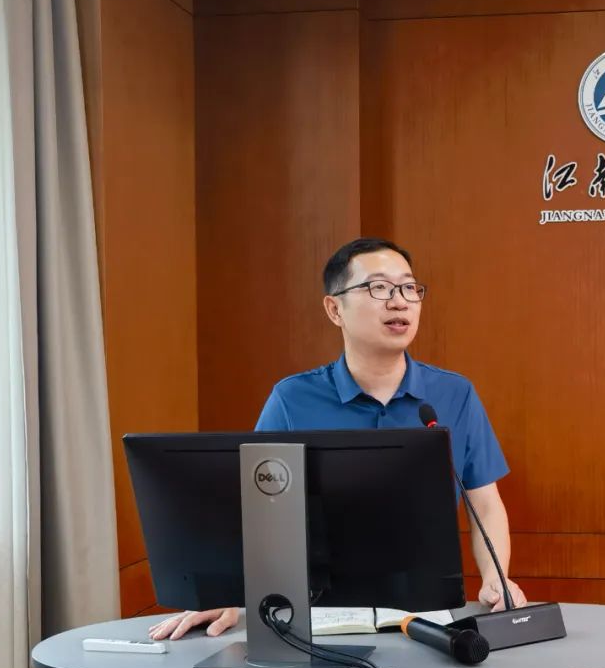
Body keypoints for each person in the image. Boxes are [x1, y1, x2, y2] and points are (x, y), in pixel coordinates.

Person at [150, 238, 527, 641]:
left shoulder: (454, 394)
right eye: (378, 287)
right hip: (316, 614)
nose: (399, 302)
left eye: (408, 288)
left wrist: (496, 576)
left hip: (425, 611)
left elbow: (485, 503)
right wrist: (227, 591)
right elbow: (253, 510)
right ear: (334, 309)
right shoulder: (292, 399)